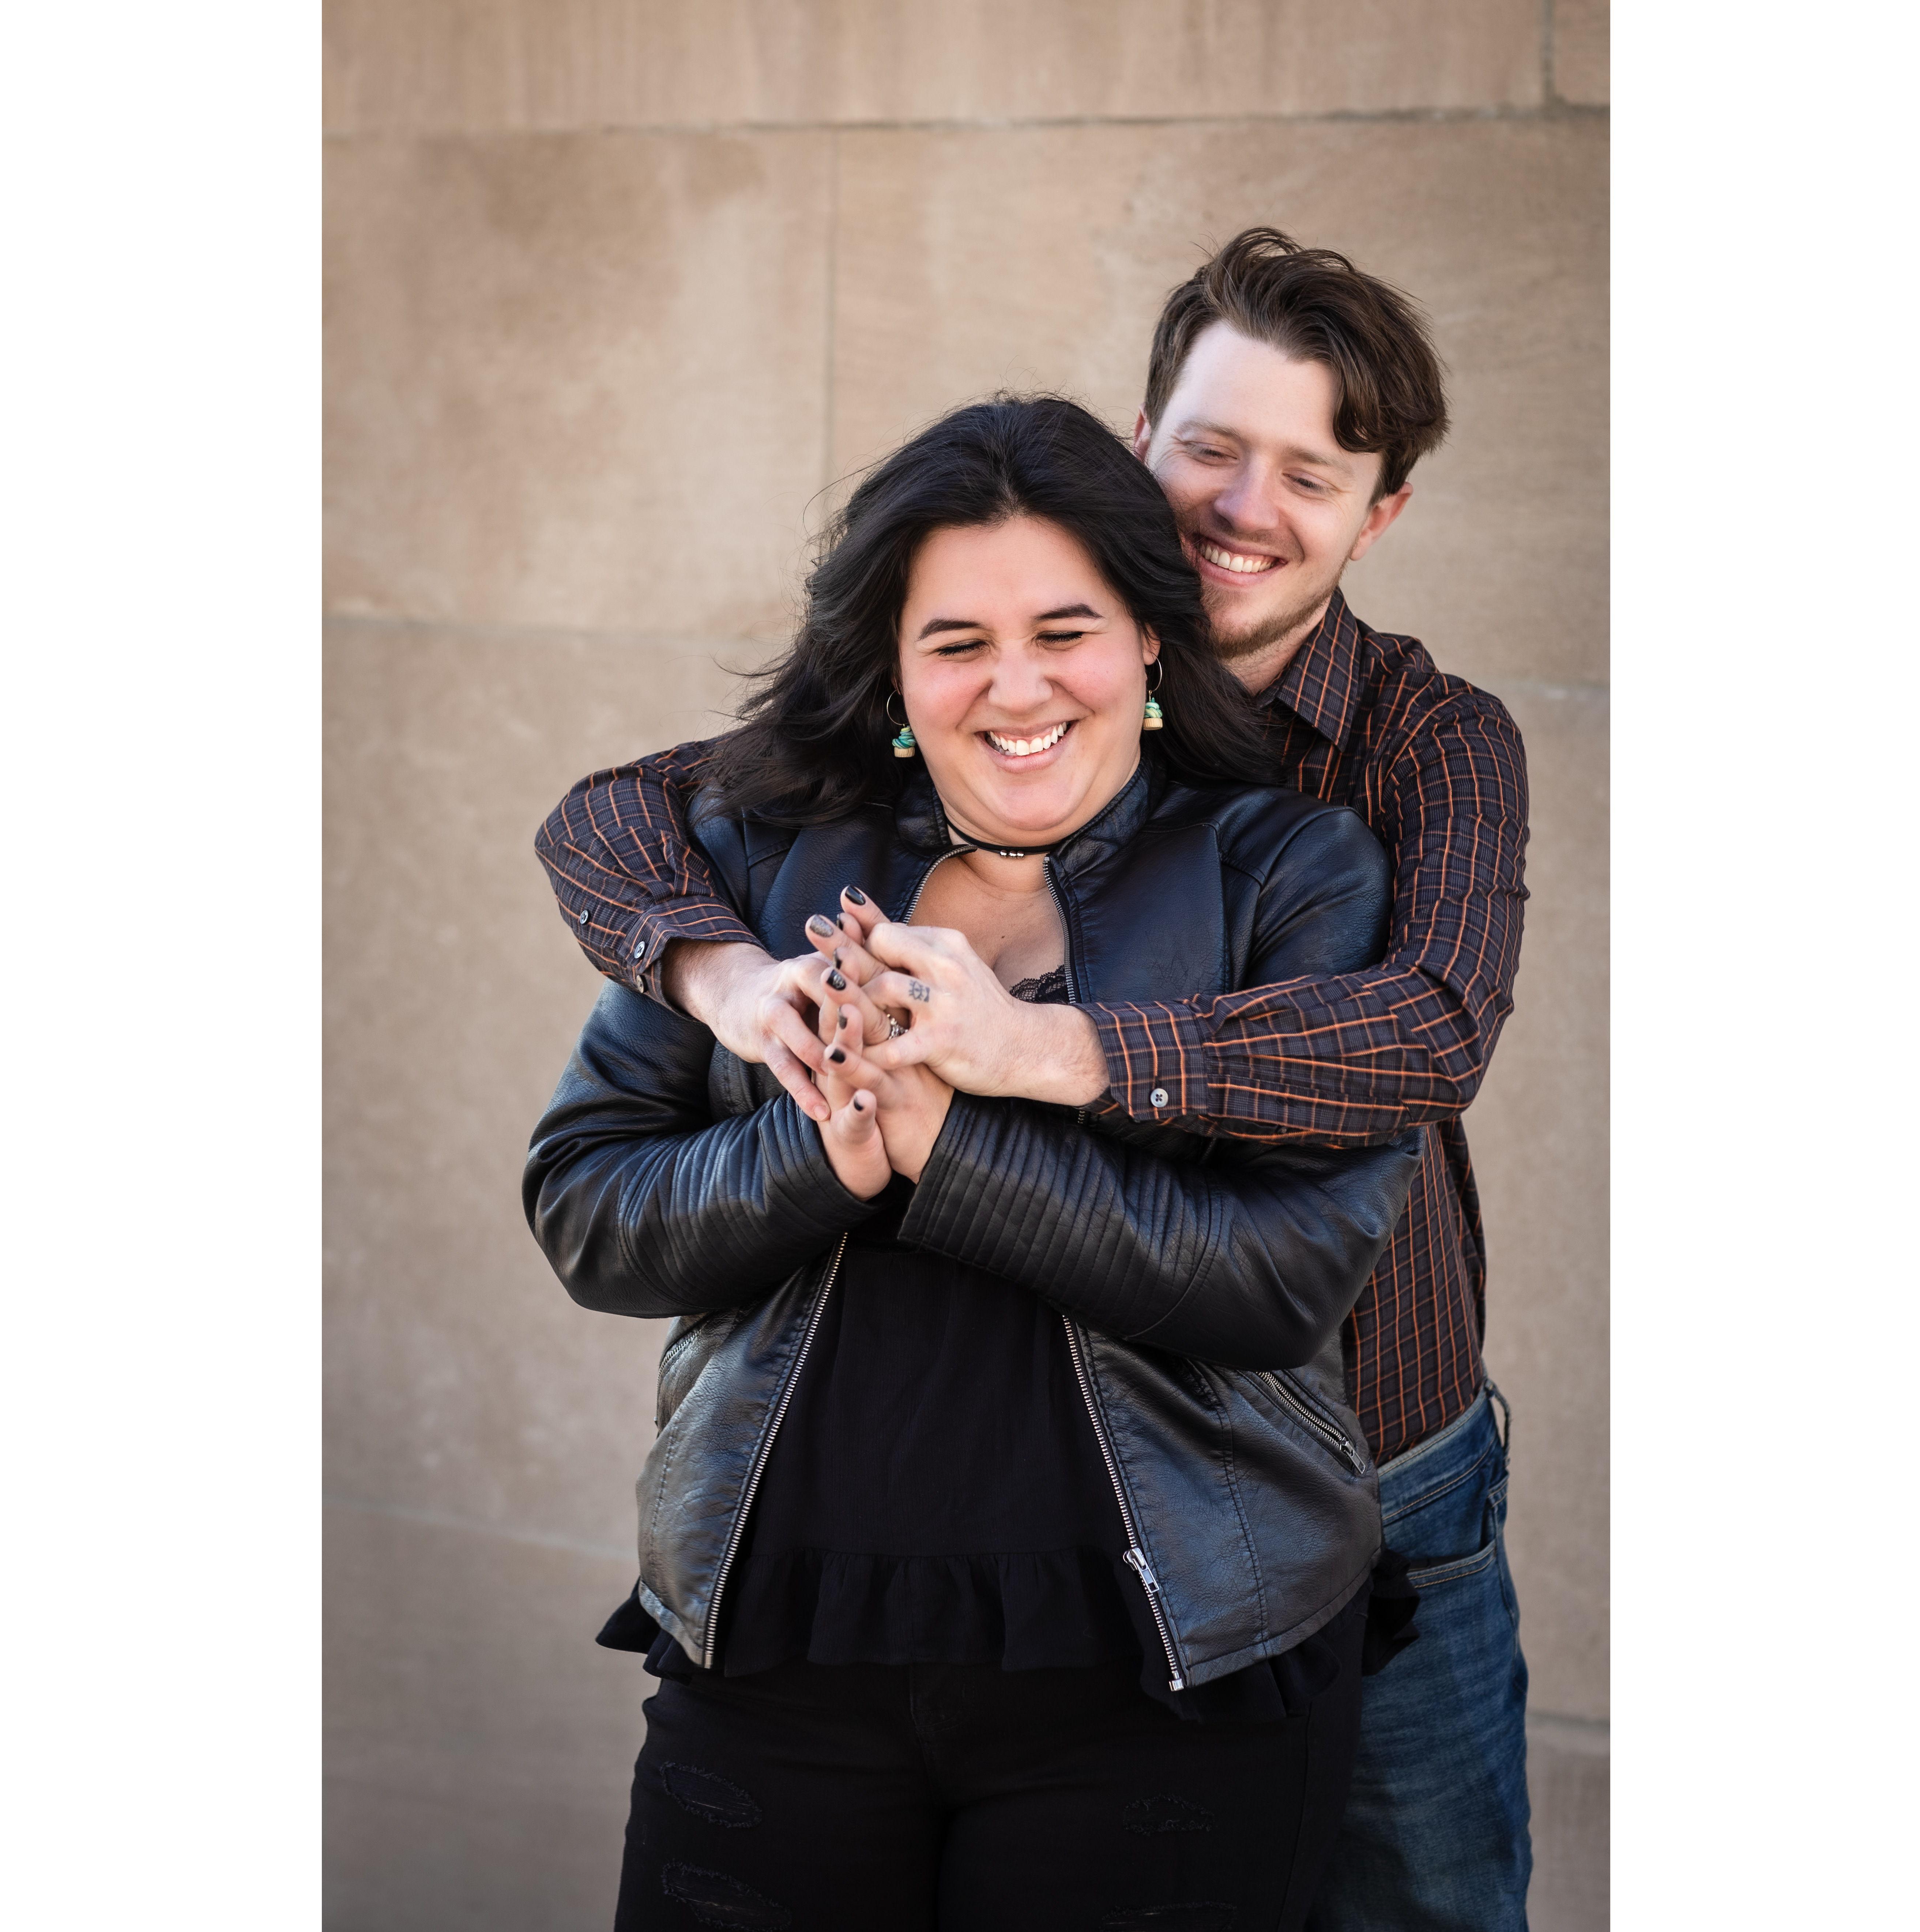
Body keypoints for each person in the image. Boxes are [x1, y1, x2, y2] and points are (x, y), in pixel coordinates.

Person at [536, 229, 1535, 1929]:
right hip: (819, 1635)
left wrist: (1021, 1061)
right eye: (1211, 448)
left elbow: (1425, 1034)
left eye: (1309, 473)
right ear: (1145, 446)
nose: (1244, 507)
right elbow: (611, 820)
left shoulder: (1396, 765)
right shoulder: (835, 801)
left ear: (1380, 514)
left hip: (1365, 1458)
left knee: (1421, 1902)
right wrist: (736, 987)